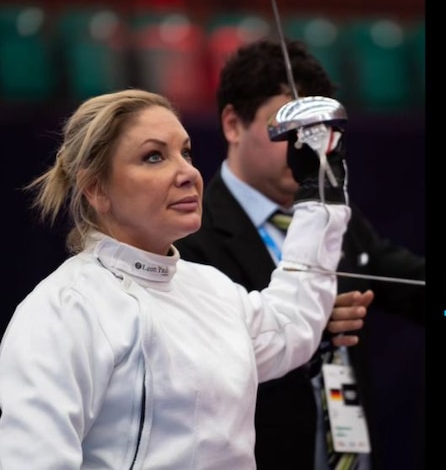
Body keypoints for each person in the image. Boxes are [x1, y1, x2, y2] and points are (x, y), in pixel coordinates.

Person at [0, 88, 351, 469]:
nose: (188, 173)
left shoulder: (212, 289)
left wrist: (320, 194)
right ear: (95, 189)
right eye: (154, 157)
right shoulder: (65, 310)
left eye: (185, 152)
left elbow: (290, 324)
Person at [174, 38, 426, 469]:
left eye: (317, 131)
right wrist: (301, 324)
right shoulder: (187, 236)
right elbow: (186, 368)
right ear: (233, 124)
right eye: (286, 127)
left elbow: (412, 284)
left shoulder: (334, 219)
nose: (303, 147)